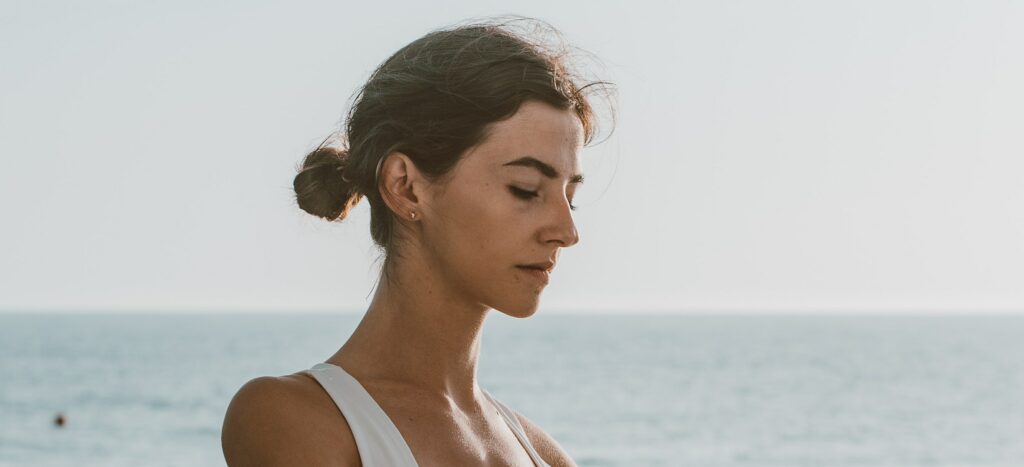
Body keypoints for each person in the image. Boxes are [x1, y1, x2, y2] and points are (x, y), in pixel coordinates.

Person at [221, 16, 613, 467]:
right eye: (526, 189)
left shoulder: (545, 455)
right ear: (405, 186)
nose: (566, 231)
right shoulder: (292, 418)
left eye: (571, 198)